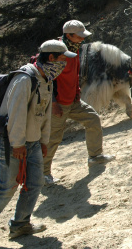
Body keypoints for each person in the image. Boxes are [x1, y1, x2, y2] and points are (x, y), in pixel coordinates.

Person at [0, 40, 77, 243]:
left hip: (33, 142)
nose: (64, 64)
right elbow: (16, 115)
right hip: (13, 142)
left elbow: (45, 114)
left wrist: (43, 141)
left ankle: (20, 224)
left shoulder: (46, 79)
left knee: (35, 182)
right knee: (7, 186)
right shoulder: (25, 79)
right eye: (62, 59)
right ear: (51, 58)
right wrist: (18, 143)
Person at [43, 20, 115, 186]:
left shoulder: (74, 49)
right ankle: (43, 174)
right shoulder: (54, 51)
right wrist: (53, 103)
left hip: (73, 101)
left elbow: (74, 74)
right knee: (53, 138)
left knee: (93, 120)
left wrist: (76, 93)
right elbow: (46, 79)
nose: (82, 39)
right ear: (69, 35)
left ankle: (95, 156)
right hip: (58, 104)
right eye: (79, 36)